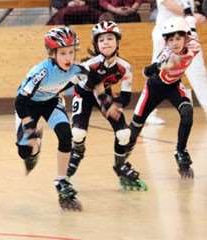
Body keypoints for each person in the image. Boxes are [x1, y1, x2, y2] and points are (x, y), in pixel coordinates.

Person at [67, 21, 148, 192]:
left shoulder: (124, 67)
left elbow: (125, 96)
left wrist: (116, 105)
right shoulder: (89, 65)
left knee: (124, 133)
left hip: (104, 94)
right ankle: (78, 148)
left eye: (110, 38)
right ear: (96, 44)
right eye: (101, 40)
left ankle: (120, 165)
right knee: (78, 132)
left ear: (117, 42)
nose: (106, 42)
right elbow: (84, 87)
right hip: (84, 94)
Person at [15, 26, 87, 211]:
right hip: (27, 106)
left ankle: (61, 180)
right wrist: (29, 128)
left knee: (65, 135)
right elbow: (20, 101)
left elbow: (92, 78)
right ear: (52, 53)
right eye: (63, 53)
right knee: (25, 152)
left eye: (71, 52)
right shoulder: (41, 72)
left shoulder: (77, 69)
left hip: (51, 103)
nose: (68, 57)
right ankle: (35, 147)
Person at [126, 17, 199, 179]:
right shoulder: (165, 54)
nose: (174, 43)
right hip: (154, 88)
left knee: (187, 113)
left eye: (178, 38)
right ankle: (121, 160)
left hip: (173, 86)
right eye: (170, 39)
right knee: (134, 128)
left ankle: (181, 151)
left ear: (186, 38)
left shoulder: (194, 44)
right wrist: (157, 66)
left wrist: (188, 15)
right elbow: (146, 72)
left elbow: (190, 32)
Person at [147, 0, 206, 125]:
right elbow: (167, 2)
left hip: (186, 32)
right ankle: (148, 113)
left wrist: (194, 16)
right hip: (166, 34)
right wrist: (191, 16)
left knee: (198, 73)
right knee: (158, 73)